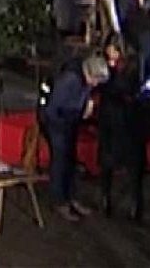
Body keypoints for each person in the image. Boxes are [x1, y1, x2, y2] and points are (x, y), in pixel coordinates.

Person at [41, 54, 109, 221]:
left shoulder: (86, 81)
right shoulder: (70, 80)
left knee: (71, 160)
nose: (95, 85)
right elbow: (53, 108)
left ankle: (71, 197)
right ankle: (59, 201)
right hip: (57, 122)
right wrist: (71, 116)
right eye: (95, 80)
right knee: (60, 161)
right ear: (88, 73)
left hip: (70, 121)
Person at [98, 35, 146, 222]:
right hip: (109, 120)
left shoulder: (133, 66)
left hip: (128, 121)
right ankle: (105, 198)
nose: (109, 53)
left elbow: (128, 89)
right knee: (106, 161)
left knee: (133, 165)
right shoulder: (104, 65)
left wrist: (112, 77)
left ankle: (136, 203)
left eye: (113, 49)